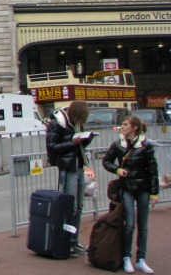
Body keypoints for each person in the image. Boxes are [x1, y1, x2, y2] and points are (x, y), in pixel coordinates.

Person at [103, 115, 159, 274]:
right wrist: (117, 169)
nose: (122, 126)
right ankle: (126, 257)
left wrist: (154, 193)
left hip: (143, 188)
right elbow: (106, 161)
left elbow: (153, 171)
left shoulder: (146, 146)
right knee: (130, 224)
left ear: (134, 127)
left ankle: (141, 259)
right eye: (122, 124)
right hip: (126, 187)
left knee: (143, 225)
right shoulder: (117, 144)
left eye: (125, 124)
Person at [45, 100, 93, 256]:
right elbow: (52, 147)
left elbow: (77, 147)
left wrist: (85, 140)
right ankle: (65, 241)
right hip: (67, 168)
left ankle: (73, 240)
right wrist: (72, 142)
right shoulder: (57, 123)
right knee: (69, 207)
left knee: (78, 207)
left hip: (78, 166)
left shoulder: (75, 124)